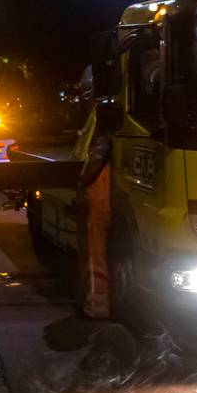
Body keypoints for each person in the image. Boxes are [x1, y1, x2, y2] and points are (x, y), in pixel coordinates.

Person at [73, 103, 117, 319]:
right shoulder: (114, 138)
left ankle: (96, 306)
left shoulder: (103, 140)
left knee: (94, 257)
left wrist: (82, 180)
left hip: (97, 205)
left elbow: (96, 161)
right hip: (105, 203)